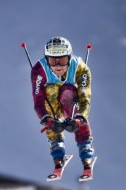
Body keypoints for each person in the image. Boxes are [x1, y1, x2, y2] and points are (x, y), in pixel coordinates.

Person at [30, 37, 94, 173]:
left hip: (70, 103)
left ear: (70, 58)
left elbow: (85, 98)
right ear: (47, 59)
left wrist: (79, 119)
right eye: (53, 61)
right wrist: (48, 121)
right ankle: (56, 143)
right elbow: (38, 100)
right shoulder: (39, 70)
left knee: (68, 90)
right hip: (52, 106)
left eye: (63, 60)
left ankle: (85, 144)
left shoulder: (80, 68)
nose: (58, 66)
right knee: (51, 90)